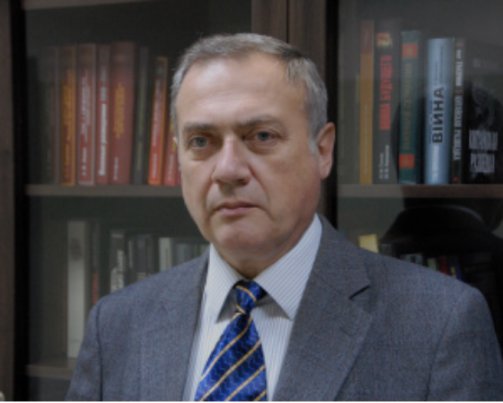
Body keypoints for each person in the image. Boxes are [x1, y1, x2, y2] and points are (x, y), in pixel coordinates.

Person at [66, 33, 503, 401]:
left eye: (261, 136)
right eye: (201, 141)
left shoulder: (439, 323)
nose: (228, 170)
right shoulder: (117, 324)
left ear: (323, 150)